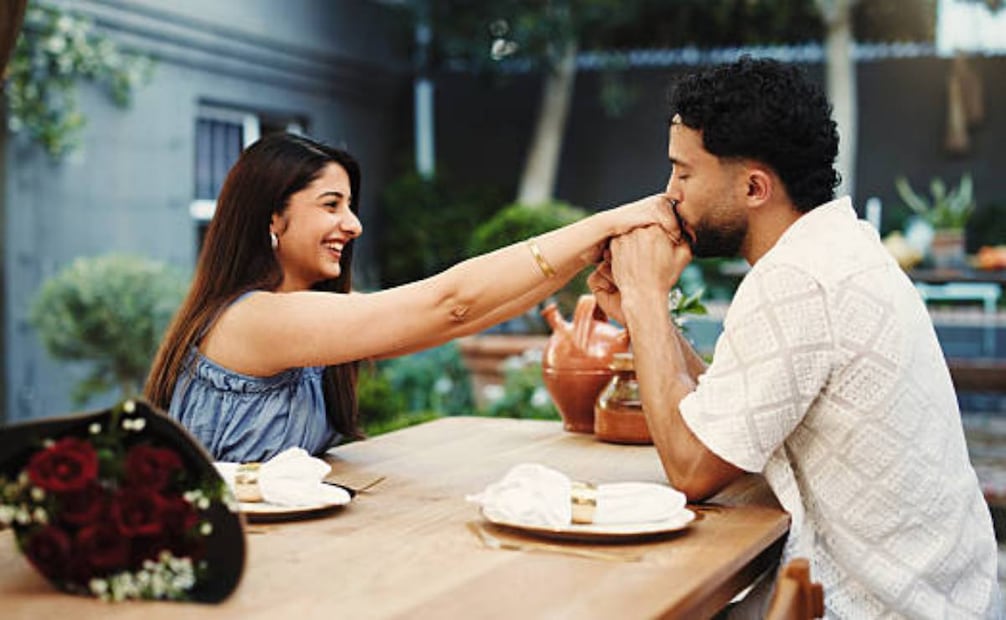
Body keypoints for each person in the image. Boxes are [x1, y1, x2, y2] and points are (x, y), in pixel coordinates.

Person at [588, 57, 1000, 618]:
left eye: (684, 173)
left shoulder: (799, 280)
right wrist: (644, 319)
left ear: (755, 186)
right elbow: (727, 420)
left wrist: (646, 299)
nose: (668, 195)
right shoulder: (837, 248)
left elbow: (691, 468)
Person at [145, 132, 674, 463]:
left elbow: (466, 318)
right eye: (331, 205)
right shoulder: (254, 319)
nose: (352, 224)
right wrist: (607, 222)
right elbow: (450, 304)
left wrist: (589, 255)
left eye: (349, 206)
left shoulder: (301, 319)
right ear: (271, 219)